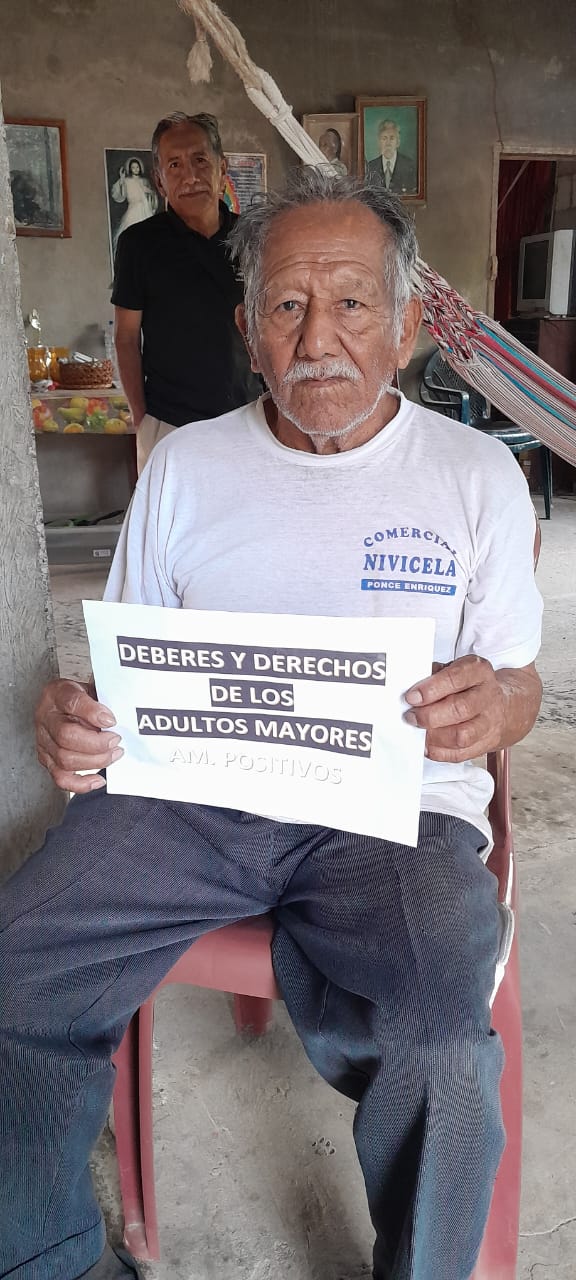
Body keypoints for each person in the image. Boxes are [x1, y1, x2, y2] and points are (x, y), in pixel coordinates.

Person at [1, 168, 543, 1280]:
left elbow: (521, 684)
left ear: (404, 328)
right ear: (249, 332)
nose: (318, 338)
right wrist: (78, 716)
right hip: (192, 800)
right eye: (288, 305)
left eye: (351, 303)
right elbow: (127, 671)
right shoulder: (186, 467)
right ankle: (46, 1256)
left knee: (442, 1044)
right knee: (17, 964)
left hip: (396, 812)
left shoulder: (476, 474)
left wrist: (499, 704)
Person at [112, 111, 261, 472]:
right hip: (171, 423)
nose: (190, 176)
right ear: (159, 181)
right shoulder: (139, 245)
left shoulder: (254, 238)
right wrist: (143, 420)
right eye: (175, 165)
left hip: (250, 419)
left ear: (222, 168)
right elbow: (126, 338)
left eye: (200, 160)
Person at [110, 157, 158, 254]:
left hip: (145, 209)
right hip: (133, 209)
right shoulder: (127, 181)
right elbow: (122, 196)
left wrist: (149, 192)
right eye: (133, 167)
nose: (135, 169)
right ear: (130, 169)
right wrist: (122, 179)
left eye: (137, 167)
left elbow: (152, 195)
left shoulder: (144, 181)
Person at [366, 119, 417, 195]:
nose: (388, 143)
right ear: (379, 142)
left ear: (398, 142)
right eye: (384, 138)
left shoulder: (409, 166)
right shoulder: (371, 166)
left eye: (392, 138)